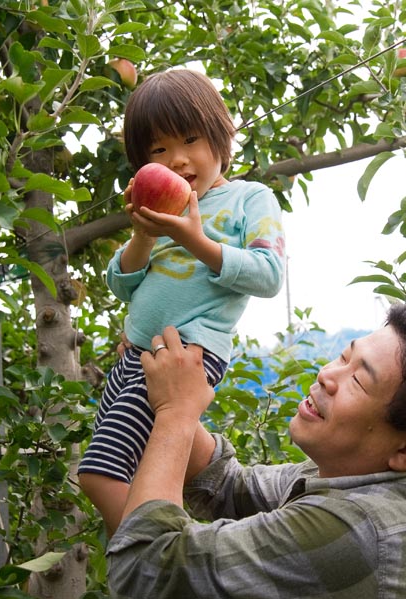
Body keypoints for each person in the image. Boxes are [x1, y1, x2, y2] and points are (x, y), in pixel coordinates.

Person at [102, 299, 406, 598]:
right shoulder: (346, 478)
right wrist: (163, 377)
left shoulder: (360, 529)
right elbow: (226, 483)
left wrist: (176, 412)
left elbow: (145, 569)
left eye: (359, 381)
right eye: (344, 357)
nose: (326, 375)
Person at [77, 69, 286, 535]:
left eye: (191, 139)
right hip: (135, 355)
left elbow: (269, 275)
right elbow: (122, 283)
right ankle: (170, 549)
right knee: (136, 469)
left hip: (184, 354)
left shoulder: (250, 198)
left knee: (99, 473)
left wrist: (196, 240)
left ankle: (161, 565)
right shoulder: (162, 210)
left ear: (221, 133)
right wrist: (142, 236)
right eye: (158, 150)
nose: (177, 160)